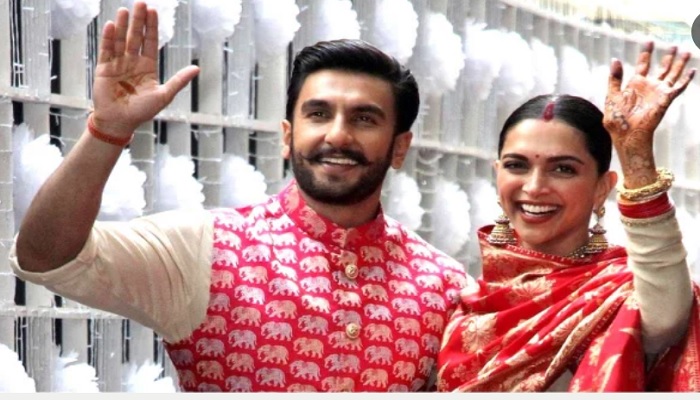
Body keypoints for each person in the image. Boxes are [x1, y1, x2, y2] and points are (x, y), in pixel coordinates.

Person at [9, 2, 473, 393]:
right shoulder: (207, 248)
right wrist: (107, 131)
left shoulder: (445, 286)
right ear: (287, 135)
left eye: (364, 119)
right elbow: (45, 256)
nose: (337, 135)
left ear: (399, 148)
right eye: (318, 114)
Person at [437, 42, 699, 391]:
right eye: (517, 165)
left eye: (563, 169)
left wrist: (635, 154)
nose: (534, 187)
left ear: (602, 188)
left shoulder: (618, 292)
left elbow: (666, 309)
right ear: (497, 174)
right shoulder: (463, 301)